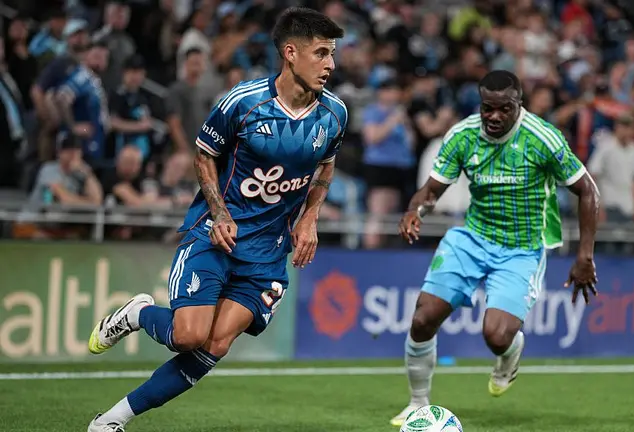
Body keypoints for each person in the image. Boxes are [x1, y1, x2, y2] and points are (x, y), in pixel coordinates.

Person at [86, 8, 347, 431]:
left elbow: (326, 166)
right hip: (216, 236)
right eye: (321, 53)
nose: (330, 64)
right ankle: (138, 313)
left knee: (216, 344)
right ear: (290, 53)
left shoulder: (334, 114)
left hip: (267, 254)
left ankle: (110, 422)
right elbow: (204, 155)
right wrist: (221, 213)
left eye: (332, 54)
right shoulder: (243, 102)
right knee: (188, 336)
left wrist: (310, 217)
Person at [391, 70, 600, 426]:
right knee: (423, 318)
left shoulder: (543, 139)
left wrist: (585, 256)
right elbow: (431, 191)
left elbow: (587, 191)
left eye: (505, 108)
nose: (495, 116)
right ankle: (417, 404)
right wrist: (415, 211)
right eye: (488, 107)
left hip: (522, 248)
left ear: (519, 104)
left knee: (497, 335)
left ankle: (510, 352)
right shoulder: (462, 136)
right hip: (472, 238)